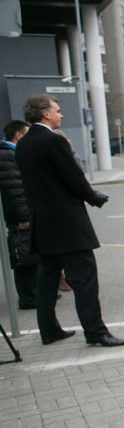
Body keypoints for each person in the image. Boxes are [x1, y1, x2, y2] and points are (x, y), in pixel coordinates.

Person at [15, 95, 124, 347]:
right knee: (84, 278)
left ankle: (49, 329)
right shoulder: (53, 141)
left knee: (47, 279)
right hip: (67, 223)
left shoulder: (23, 144)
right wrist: (93, 197)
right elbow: (73, 177)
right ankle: (96, 332)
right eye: (57, 110)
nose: (60, 115)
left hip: (42, 224)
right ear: (45, 114)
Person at [0, 120, 37, 309]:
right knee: (23, 257)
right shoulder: (7, 156)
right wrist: (24, 217)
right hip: (20, 218)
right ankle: (28, 297)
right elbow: (14, 189)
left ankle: (32, 294)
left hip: (23, 214)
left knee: (29, 255)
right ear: (18, 135)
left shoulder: (11, 154)